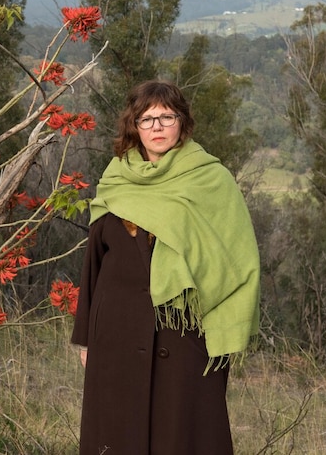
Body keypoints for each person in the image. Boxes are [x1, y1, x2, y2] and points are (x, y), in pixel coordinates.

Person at [71, 80, 260, 454]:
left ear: (182, 123)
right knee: (116, 432)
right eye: (147, 119)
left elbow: (239, 258)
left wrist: (219, 323)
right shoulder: (116, 177)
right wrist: (86, 338)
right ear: (134, 126)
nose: (157, 127)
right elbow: (94, 263)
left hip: (186, 335)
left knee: (184, 435)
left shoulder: (211, 179)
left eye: (166, 117)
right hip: (116, 334)